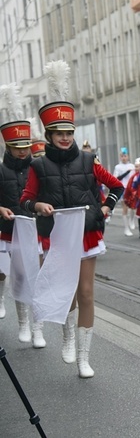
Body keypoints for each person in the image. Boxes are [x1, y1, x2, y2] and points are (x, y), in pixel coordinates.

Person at [21, 61, 124, 378]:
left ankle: (83, 357)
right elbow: (25, 200)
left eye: (69, 132)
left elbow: (117, 186)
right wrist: (38, 206)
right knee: (66, 293)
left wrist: (105, 208)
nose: (65, 138)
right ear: (49, 135)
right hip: (58, 237)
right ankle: (66, 336)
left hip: (87, 233)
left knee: (87, 293)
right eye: (59, 133)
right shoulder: (38, 167)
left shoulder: (89, 160)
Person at [0, 94, 45, 347]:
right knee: (18, 276)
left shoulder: (39, 166)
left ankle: (38, 329)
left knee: (36, 277)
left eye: (26, 146)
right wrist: (1, 209)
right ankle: (23, 324)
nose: (23, 151)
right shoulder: (1, 170)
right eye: (18, 147)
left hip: (35, 229)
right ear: (9, 147)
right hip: (9, 230)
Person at [112, 147, 136, 236]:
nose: (124, 158)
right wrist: (126, 172)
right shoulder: (118, 167)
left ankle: (132, 219)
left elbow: (135, 177)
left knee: (133, 207)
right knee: (125, 208)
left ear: (128, 156)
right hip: (123, 189)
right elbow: (117, 178)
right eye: (122, 156)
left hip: (131, 189)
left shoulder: (132, 166)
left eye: (125, 156)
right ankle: (126, 228)